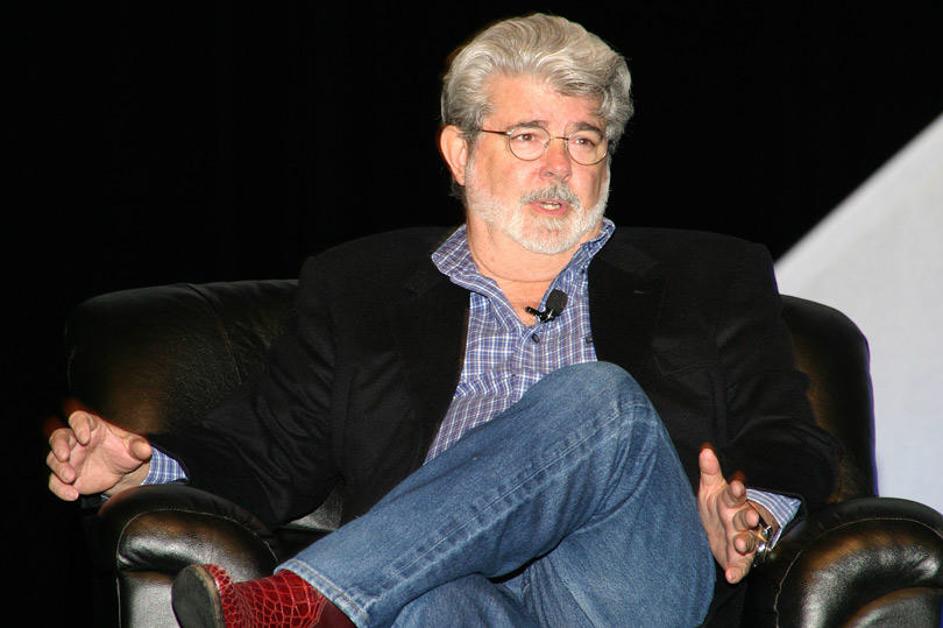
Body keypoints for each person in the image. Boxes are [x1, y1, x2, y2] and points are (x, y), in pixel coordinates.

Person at [48, 13, 839, 627]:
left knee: (599, 398)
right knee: (427, 605)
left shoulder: (710, 276)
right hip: (442, 594)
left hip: (625, 587)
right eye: (526, 137)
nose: (558, 167)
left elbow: (788, 433)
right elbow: (269, 452)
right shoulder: (358, 287)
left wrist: (751, 513)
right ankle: (341, 599)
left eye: (583, 139)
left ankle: (303, 602)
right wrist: (142, 464)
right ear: (458, 153)